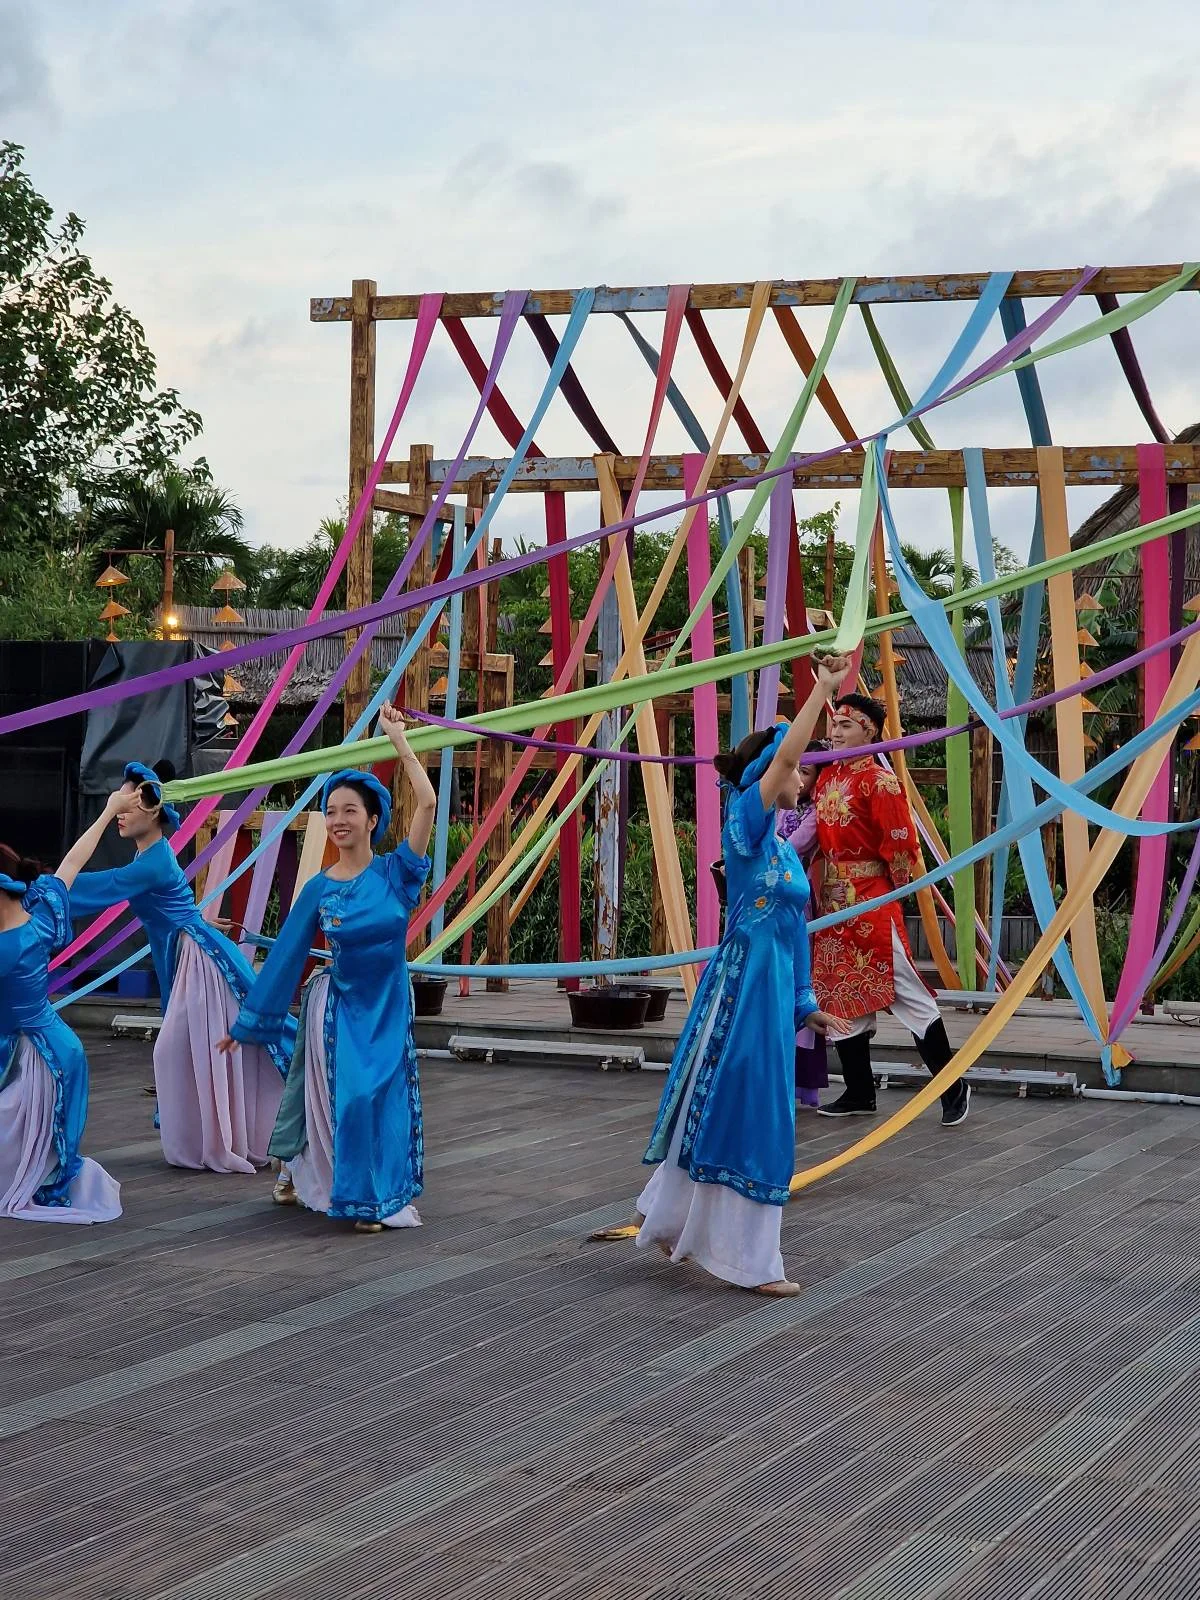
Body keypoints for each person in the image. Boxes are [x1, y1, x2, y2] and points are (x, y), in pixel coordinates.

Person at [592, 658, 850, 1296]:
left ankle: (675, 1219)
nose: (804, 775)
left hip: (767, 993)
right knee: (743, 1109)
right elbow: (786, 757)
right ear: (769, 774)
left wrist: (806, 1003)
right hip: (738, 993)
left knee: (744, 1110)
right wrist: (821, 688)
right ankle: (745, 1258)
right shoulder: (746, 826)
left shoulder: (786, 852)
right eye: (794, 767)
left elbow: (793, 928)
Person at [217, 704, 436, 1234]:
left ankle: (370, 1192)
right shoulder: (319, 889)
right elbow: (287, 956)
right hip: (337, 1008)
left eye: (349, 811)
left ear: (373, 819)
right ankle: (348, 1195)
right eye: (331, 811)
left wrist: (398, 740)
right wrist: (247, 1023)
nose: (338, 820)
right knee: (349, 1098)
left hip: (387, 1005)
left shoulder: (397, 874)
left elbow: (427, 801)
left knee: (380, 1100)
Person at [67, 762, 293, 1173]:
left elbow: (99, 888)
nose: (119, 810)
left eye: (126, 804)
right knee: (195, 1051)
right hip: (189, 952)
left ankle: (225, 1139)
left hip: (198, 961)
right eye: (117, 805)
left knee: (180, 1049)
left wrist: (49, 889)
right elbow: (175, 906)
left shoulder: (151, 862)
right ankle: (216, 1138)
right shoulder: (151, 857)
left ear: (152, 810)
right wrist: (201, 919)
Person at [811, 693, 969, 1126]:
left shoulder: (880, 782)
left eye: (846, 726)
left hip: (871, 903)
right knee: (843, 997)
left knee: (909, 993)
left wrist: (895, 894)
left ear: (869, 731)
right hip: (834, 902)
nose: (835, 732)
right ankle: (860, 1092)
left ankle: (952, 1086)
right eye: (833, 724)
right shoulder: (827, 779)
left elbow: (901, 845)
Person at [0, 822, 123, 1224]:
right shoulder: (41, 915)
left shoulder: (7, 947)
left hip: (34, 1059)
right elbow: (71, 863)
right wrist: (106, 814)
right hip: (59, 1046)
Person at [776, 741, 829, 1110]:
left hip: (798, 902)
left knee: (798, 980)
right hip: (773, 899)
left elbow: (791, 847)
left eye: (805, 772)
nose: (797, 779)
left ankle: (799, 1081)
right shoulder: (780, 808)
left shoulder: (815, 812)